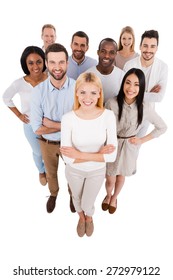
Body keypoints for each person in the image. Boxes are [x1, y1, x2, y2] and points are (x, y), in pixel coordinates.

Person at [101, 68, 167, 214]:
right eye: (128, 83)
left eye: (136, 84)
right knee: (110, 178)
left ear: (141, 87)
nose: (131, 88)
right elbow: (102, 126)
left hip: (129, 147)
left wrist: (142, 140)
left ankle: (114, 198)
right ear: (123, 83)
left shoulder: (144, 107)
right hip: (112, 145)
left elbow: (162, 127)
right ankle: (108, 195)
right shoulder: (111, 103)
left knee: (121, 176)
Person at [60, 72, 117, 237]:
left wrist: (78, 154)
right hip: (74, 171)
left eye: (93, 92)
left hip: (97, 171)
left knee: (88, 202)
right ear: (76, 93)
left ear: (99, 93)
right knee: (76, 198)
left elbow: (111, 157)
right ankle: (81, 218)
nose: (88, 98)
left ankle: (89, 217)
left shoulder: (108, 116)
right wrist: (99, 154)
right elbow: (68, 158)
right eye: (83, 92)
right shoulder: (68, 118)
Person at [30, 43, 76, 214]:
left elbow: (81, 123)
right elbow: (37, 128)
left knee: (73, 172)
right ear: (47, 64)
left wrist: (52, 124)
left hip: (70, 141)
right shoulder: (38, 92)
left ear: (67, 63)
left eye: (61, 62)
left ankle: (73, 195)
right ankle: (53, 194)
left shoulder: (77, 88)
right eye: (53, 62)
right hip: (46, 143)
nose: (57, 68)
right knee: (50, 173)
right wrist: (66, 126)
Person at [2, 46, 48, 186]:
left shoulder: (51, 78)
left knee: (50, 151)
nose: (35, 66)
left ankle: (50, 171)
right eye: (31, 63)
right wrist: (19, 115)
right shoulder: (19, 83)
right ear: (25, 64)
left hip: (50, 124)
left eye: (39, 62)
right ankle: (41, 171)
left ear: (44, 62)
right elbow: (6, 98)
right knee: (38, 152)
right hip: (30, 125)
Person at [123, 30, 168, 137]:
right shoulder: (129, 65)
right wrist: (147, 93)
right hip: (126, 112)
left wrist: (133, 92)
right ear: (140, 46)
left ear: (157, 48)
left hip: (146, 115)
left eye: (152, 46)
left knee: (135, 147)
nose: (148, 50)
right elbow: (123, 91)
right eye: (145, 46)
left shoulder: (162, 67)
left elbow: (159, 97)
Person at [86, 38, 125, 104]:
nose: (107, 56)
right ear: (98, 52)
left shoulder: (122, 76)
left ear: (116, 54)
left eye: (111, 52)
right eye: (103, 51)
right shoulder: (87, 75)